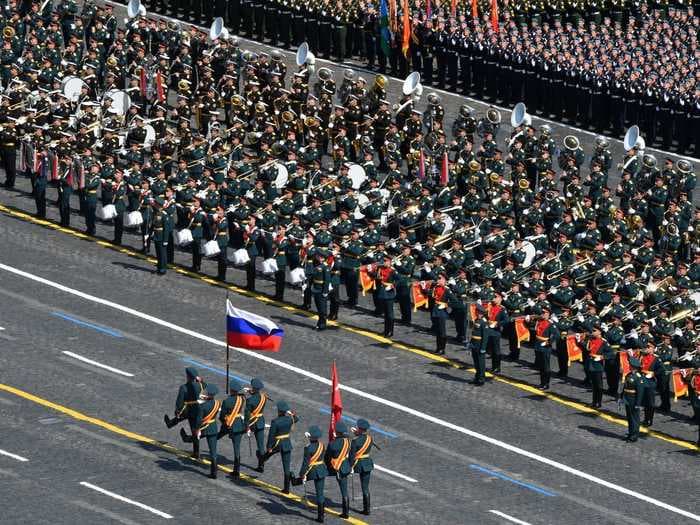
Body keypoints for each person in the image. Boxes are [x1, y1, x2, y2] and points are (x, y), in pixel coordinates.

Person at [164, 367, 208, 458]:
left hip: (189, 409)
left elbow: (179, 401)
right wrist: (201, 381)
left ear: (187, 376)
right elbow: (206, 386)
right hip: (200, 410)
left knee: (182, 416)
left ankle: (170, 423)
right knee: (194, 429)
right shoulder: (201, 385)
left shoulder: (184, 387)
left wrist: (177, 410)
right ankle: (196, 452)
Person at [180, 384, 222, 479]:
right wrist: (206, 398)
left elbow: (199, 420)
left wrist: (197, 429)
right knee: (213, 451)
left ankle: (186, 438)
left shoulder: (202, 406)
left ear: (208, 394)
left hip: (204, 427)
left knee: (195, 436)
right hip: (213, 427)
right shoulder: (218, 403)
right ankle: (214, 472)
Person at [293, 425, 328, 523]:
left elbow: (305, 463)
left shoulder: (308, 448)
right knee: (320, 493)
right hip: (321, 469)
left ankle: (295, 481)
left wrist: (302, 474)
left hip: (313, 470)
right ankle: (321, 516)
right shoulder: (322, 445)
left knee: (302, 480)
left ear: (311, 436)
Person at [263, 400, 299, 494]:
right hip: (286, 443)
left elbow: (271, 436)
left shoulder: (275, 422)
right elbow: (296, 418)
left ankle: (261, 461)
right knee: (286, 467)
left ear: (279, 411)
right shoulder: (290, 419)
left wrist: (269, 446)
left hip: (277, 443)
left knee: (267, 454)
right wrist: (291, 413)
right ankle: (286, 489)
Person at [218, 379, 247, 478]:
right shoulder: (241, 399)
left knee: (215, 437)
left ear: (231, 390)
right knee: (237, 448)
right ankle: (236, 470)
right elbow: (242, 396)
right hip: (239, 424)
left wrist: (224, 423)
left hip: (228, 424)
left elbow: (222, 416)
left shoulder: (227, 401)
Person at [325, 421, 351, 518]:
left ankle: (345, 513)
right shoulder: (348, 441)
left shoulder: (332, 444)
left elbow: (327, 458)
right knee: (344, 490)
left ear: (337, 432)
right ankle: (346, 512)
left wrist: (329, 466)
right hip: (345, 467)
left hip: (335, 467)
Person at [349, 418, 374, 516]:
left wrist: (350, 467)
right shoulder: (369, 438)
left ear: (359, 428)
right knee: (366, 487)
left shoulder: (355, 441)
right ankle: (367, 509)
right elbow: (363, 441)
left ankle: (365, 509)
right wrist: (357, 434)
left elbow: (352, 456)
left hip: (358, 464)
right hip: (367, 463)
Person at [244, 377, 268, 472]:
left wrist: (247, 427)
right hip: (260, 421)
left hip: (252, 422)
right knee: (261, 445)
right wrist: (251, 391)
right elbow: (257, 397)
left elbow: (247, 415)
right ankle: (261, 465)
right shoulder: (264, 397)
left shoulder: (250, 400)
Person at [532, 307, 559, 390]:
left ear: (549, 315)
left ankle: (546, 384)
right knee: (540, 365)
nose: (543, 314)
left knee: (545, 366)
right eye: (542, 313)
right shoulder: (539, 321)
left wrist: (548, 342)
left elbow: (557, 335)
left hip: (545, 346)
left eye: (545, 313)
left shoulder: (551, 323)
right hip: (538, 344)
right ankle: (542, 382)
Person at [621, 357, 644, 443]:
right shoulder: (629, 375)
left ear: (633, 366)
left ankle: (634, 436)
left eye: (630, 365)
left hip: (634, 400)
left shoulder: (638, 377)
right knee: (629, 418)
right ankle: (631, 433)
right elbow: (625, 387)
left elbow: (640, 392)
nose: (629, 366)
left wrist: (638, 404)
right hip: (627, 399)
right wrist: (621, 397)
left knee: (635, 418)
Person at [310, 250, 331, 331]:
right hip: (316, 288)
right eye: (318, 256)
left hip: (321, 290)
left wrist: (325, 291)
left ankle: (322, 325)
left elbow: (327, 280)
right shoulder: (317, 264)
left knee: (322, 309)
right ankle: (319, 323)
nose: (317, 257)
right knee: (319, 308)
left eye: (319, 256)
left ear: (323, 258)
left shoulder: (325, 267)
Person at [470, 304, 489, 386]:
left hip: (480, 344)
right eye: (477, 312)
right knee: (476, 362)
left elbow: (485, 337)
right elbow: (473, 332)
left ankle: (481, 379)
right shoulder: (477, 320)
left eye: (479, 313)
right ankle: (477, 377)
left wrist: (483, 348)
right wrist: (470, 343)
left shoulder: (484, 322)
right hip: (474, 343)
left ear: (482, 313)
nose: (478, 314)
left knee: (481, 363)